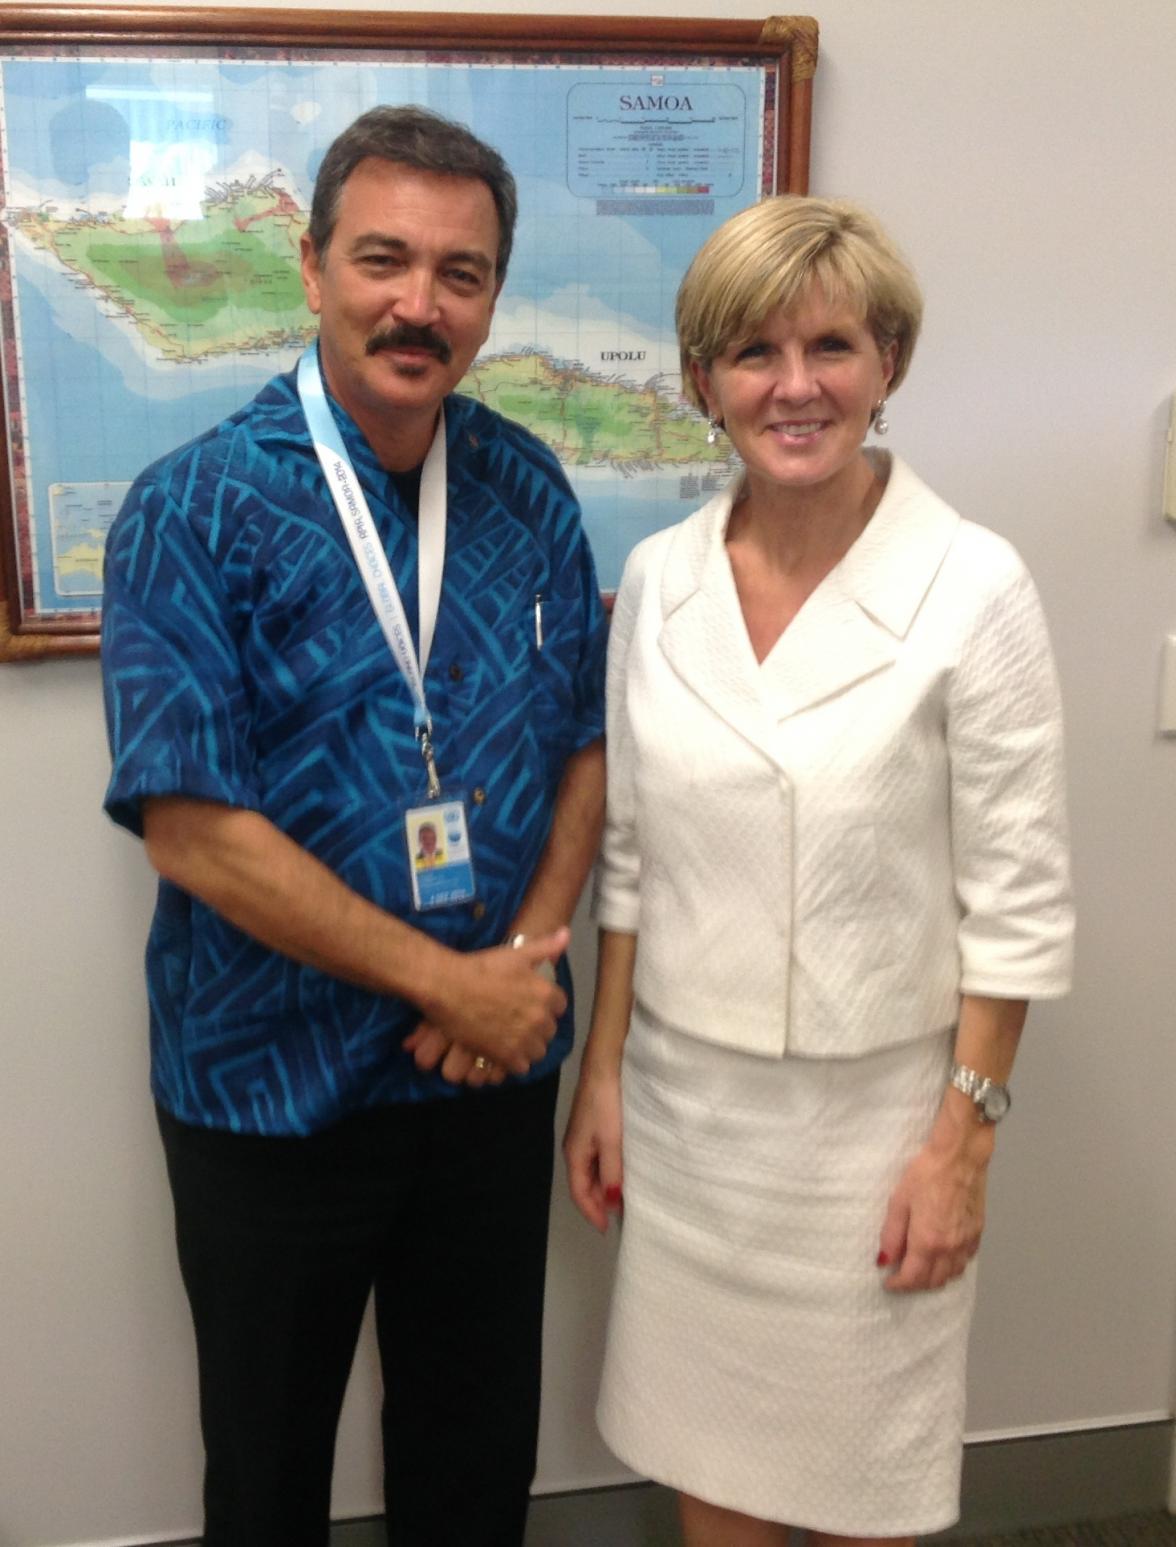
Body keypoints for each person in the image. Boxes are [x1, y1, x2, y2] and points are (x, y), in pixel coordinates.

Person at [101, 105, 606, 1547]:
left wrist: (512, 967)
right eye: (384, 259)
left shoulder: (529, 488)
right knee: (267, 1481)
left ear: (493, 297)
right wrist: (450, 981)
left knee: (473, 1467)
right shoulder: (189, 510)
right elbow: (192, 829)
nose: (419, 303)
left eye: (461, 273)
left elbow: (583, 747)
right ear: (311, 265)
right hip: (271, 1095)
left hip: (483, 1088)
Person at [564, 196, 1073, 1547]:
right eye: (752, 353)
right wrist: (600, 1073)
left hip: (873, 1139)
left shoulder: (973, 586)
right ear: (700, 382)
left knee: (864, 1498)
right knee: (714, 1493)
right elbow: (630, 862)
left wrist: (961, 1147)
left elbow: (1016, 906)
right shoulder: (659, 581)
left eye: (832, 347)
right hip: (690, 1128)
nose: (795, 387)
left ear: (888, 364)